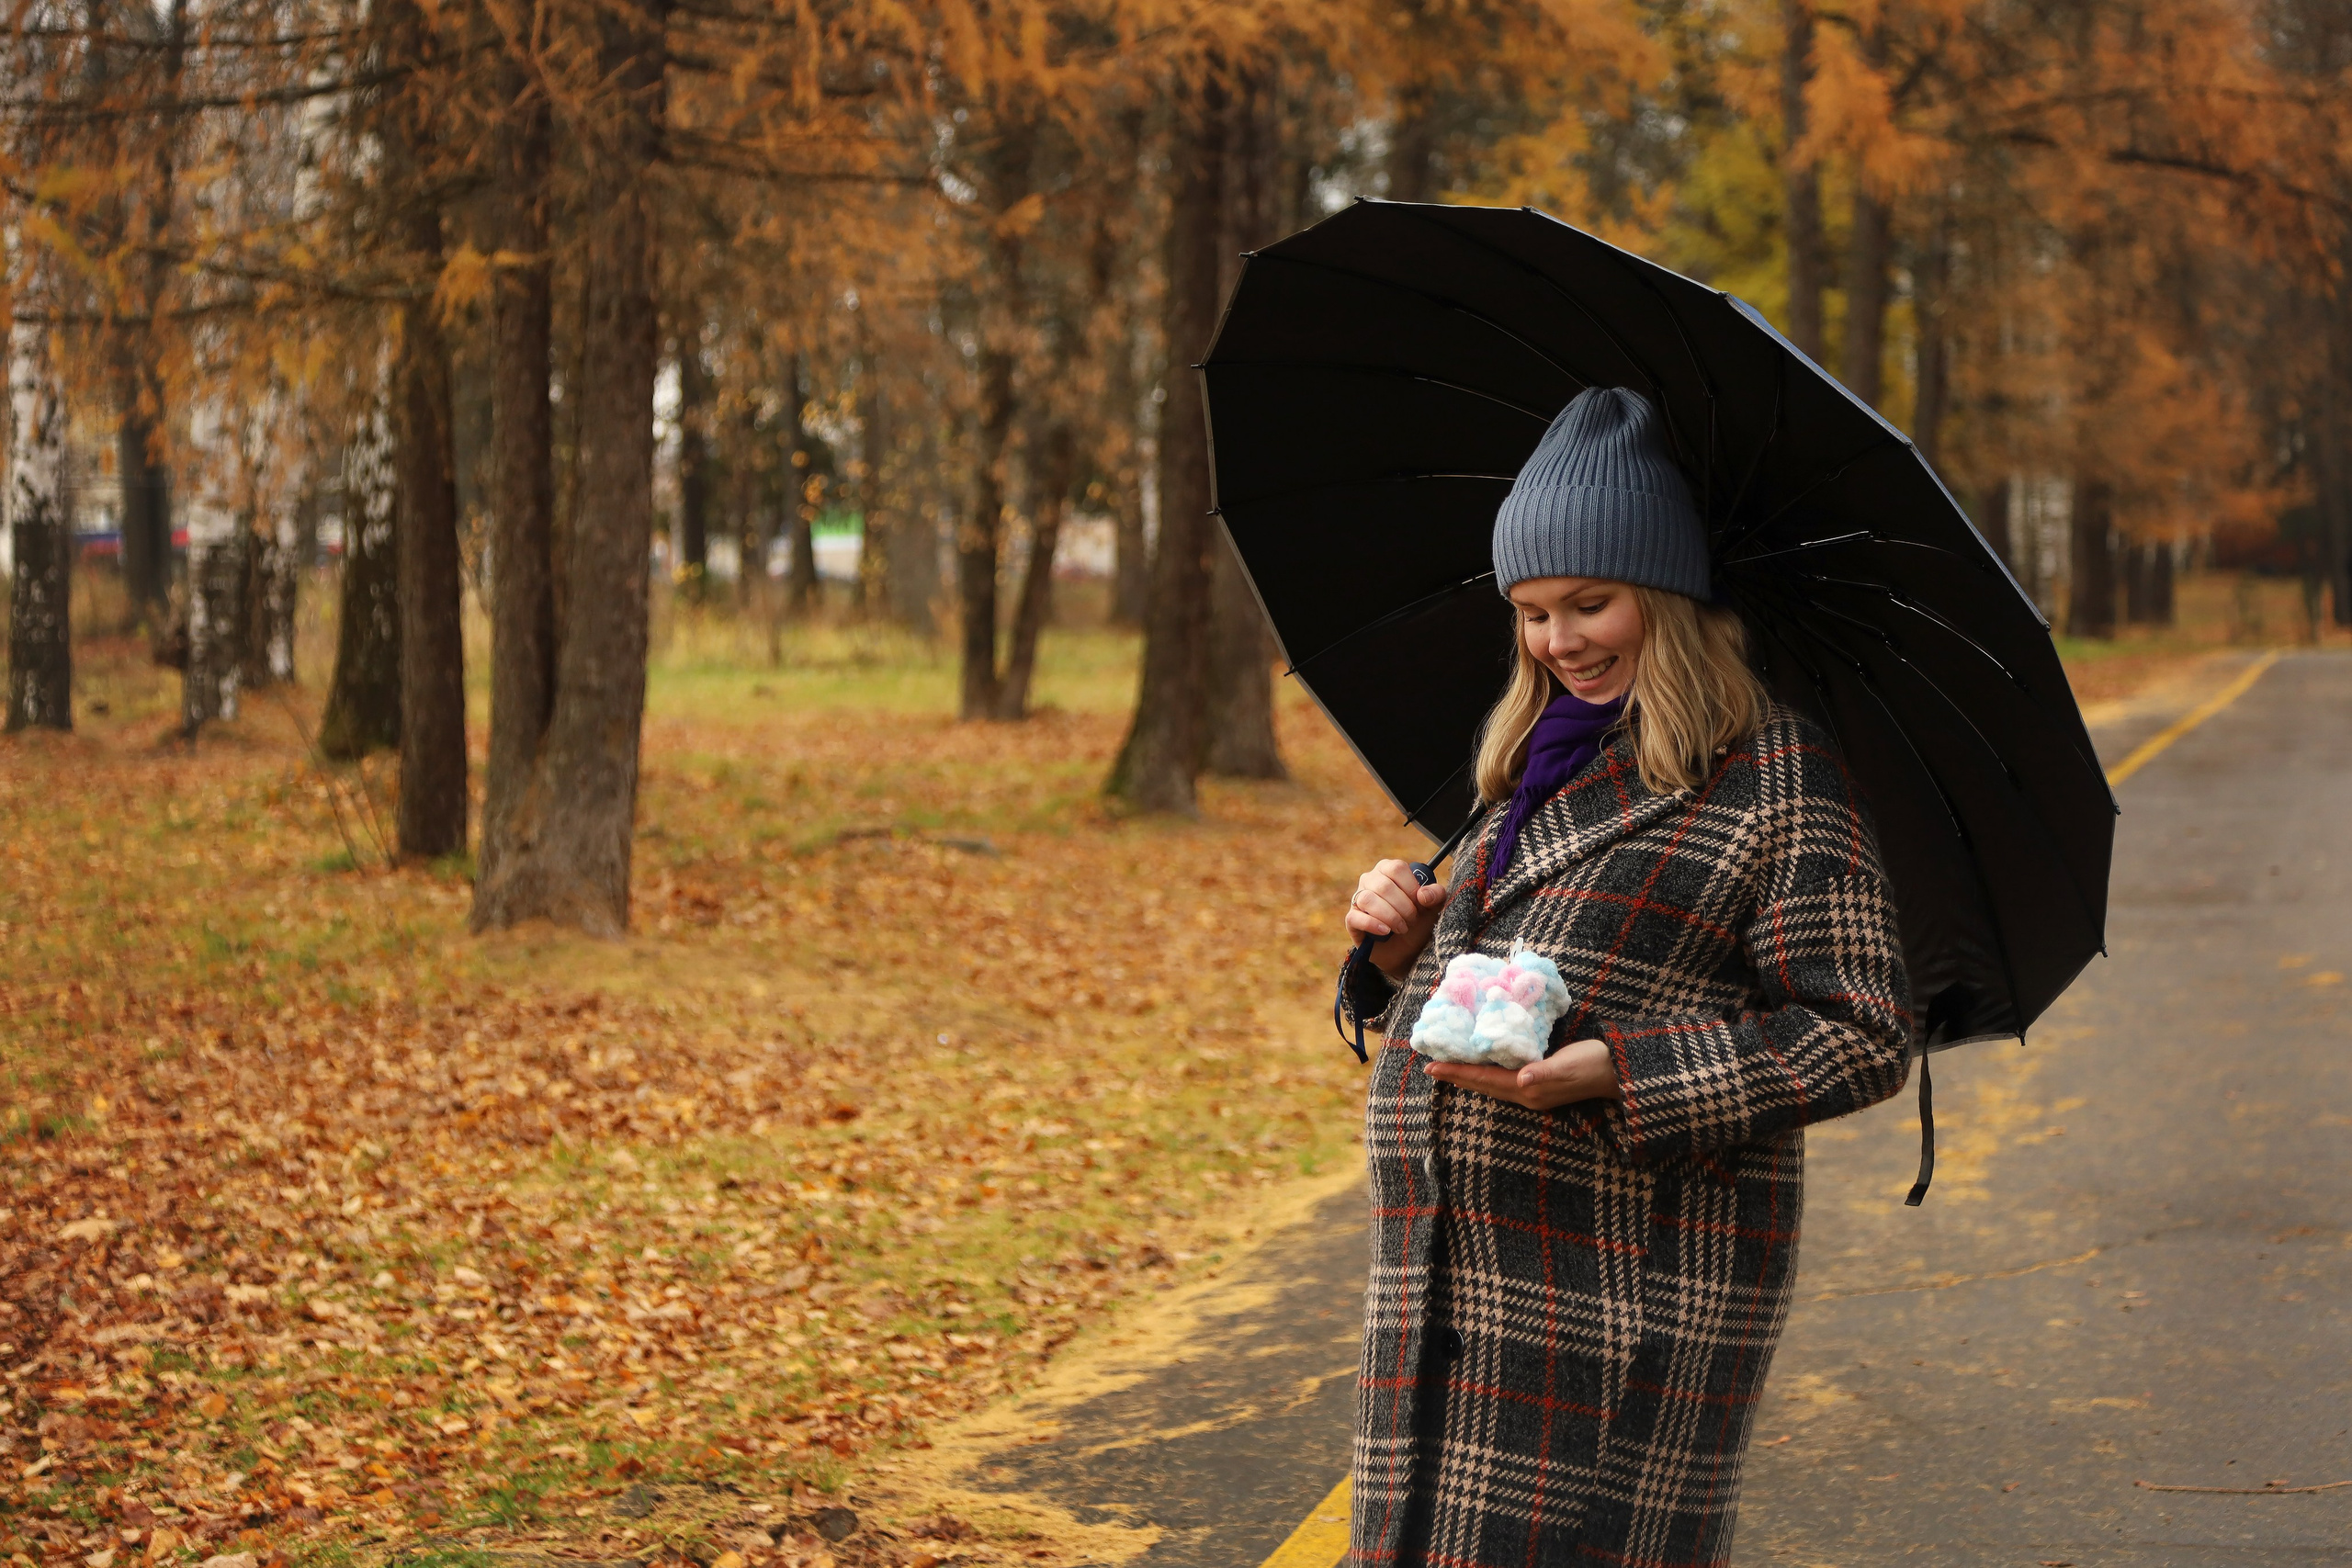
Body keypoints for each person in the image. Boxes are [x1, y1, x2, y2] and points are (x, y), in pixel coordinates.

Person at [1336, 387, 1915, 1567]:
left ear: (1668, 595)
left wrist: (1624, 1074)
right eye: (1533, 612)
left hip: (1617, 1302)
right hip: (1441, 1297)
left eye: (1590, 603)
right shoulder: (1527, 768)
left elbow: (1861, 1031)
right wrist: (1397, 956)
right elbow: (1489, 1004)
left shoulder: (1770, 775)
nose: (1560, 641)